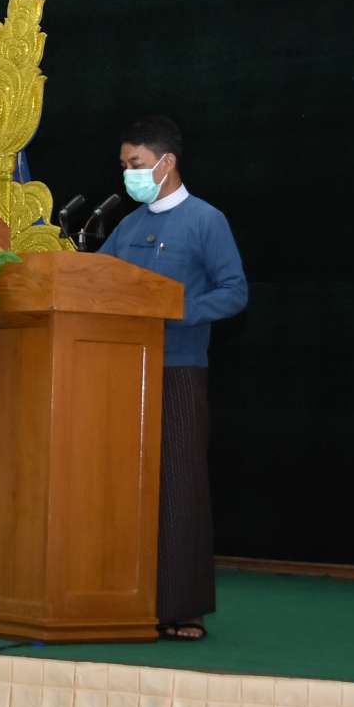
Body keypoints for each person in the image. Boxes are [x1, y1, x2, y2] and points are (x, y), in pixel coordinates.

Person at [98, 115, 247, 641]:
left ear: (167, 162)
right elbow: (94, 280)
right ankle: (120, 598)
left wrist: (178, 311)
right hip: (122, 374)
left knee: (178, 487)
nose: (128, 175)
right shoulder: (127, 226)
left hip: (180, 370)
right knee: (120, 486)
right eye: (124, 165)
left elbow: (234, 291)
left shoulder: (206, 220)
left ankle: (181, 609)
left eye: (136, 164)